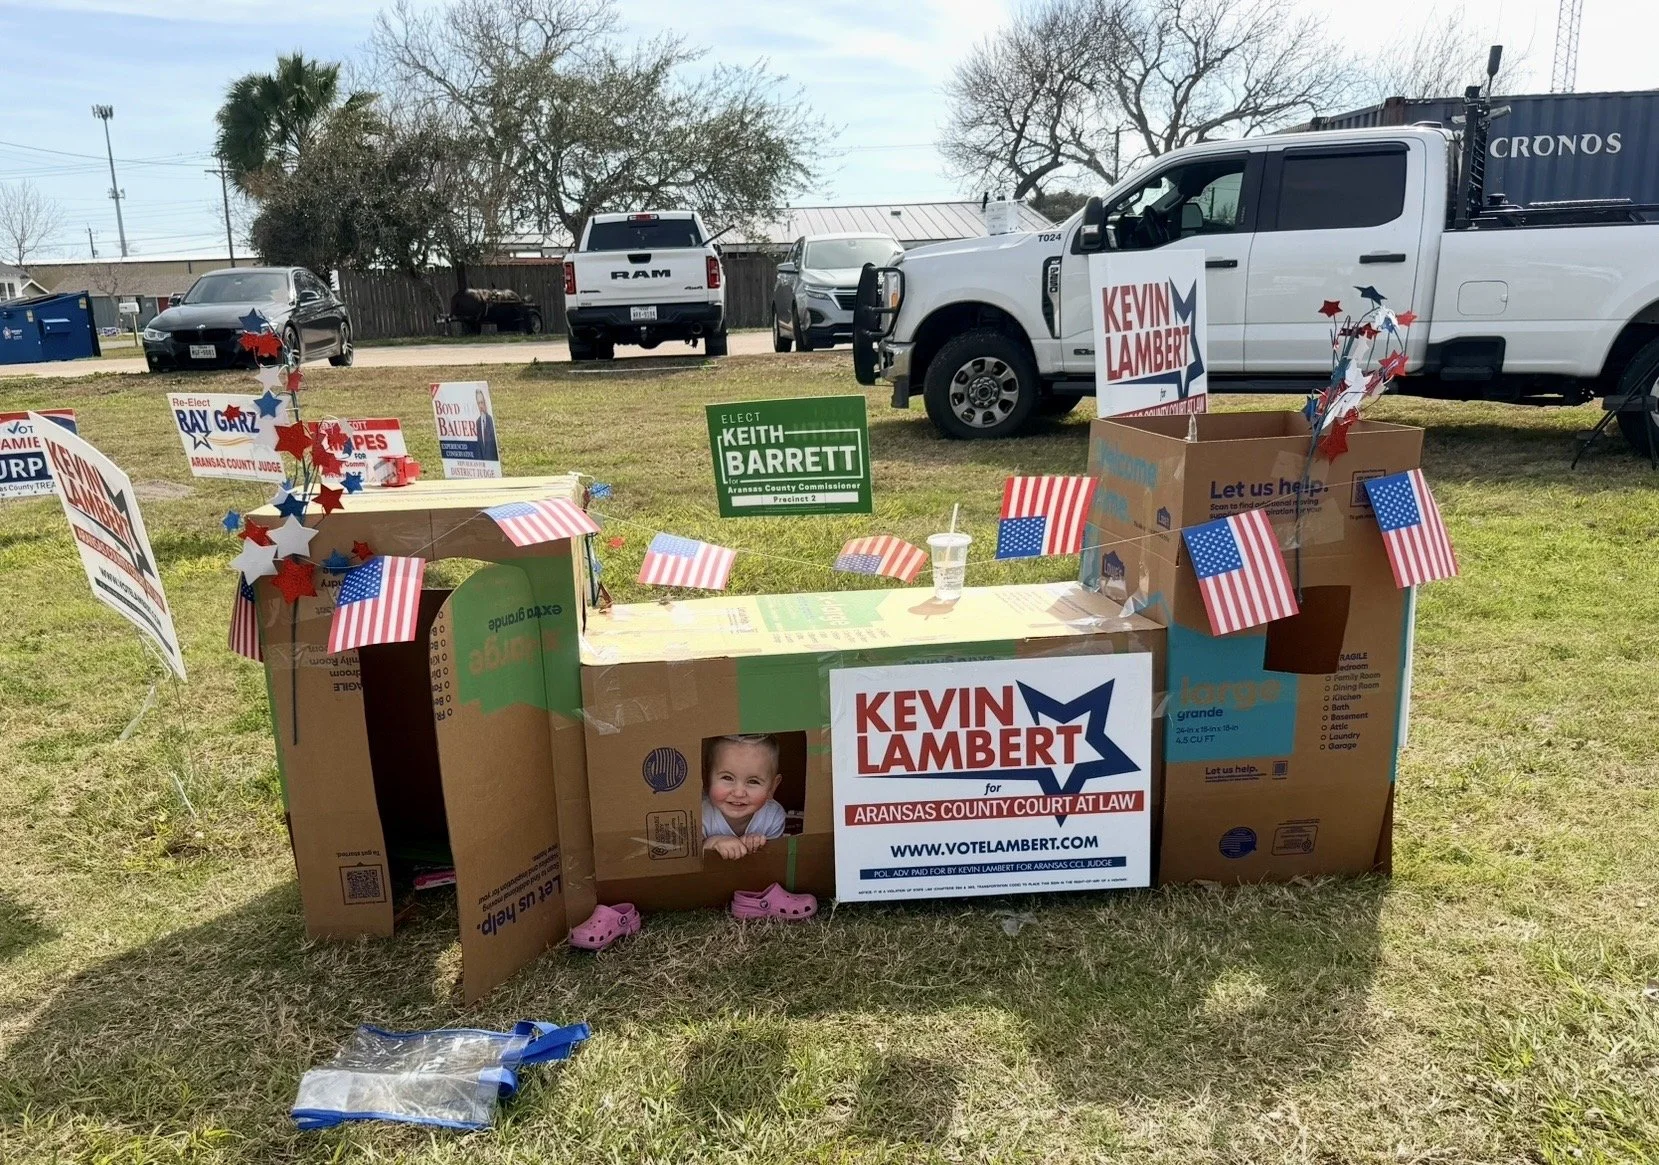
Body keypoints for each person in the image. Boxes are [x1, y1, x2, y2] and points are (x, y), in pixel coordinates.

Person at [702, 733, 786, 860]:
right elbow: (687, 857)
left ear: (772, 787)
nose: (739, 793)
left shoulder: (773, 816)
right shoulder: (701, 814)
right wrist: (712, 842)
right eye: (727, 778)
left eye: (753, 781)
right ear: (707, 779)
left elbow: (773, 862)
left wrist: (758, 845)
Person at [473, 388, 499, 463]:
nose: (480, 406)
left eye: (482, 402)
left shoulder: (490, 420)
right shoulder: (478, 422)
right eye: (478, 403)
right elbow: (480, 446)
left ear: (485, 402)